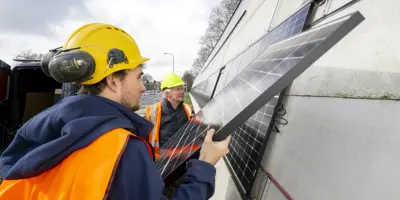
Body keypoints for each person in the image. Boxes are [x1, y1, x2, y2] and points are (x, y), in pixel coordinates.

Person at [0, 22, 231, 200]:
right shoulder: (122, 149)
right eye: (138, 77)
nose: (143, 87)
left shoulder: (44, 130)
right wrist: (204, 166)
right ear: (112, 80)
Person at [145, 73, 194, 159]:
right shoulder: (153, 112)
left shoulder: (189, 110)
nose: (182, 91)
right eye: (178, 89)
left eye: (182, 88)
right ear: (167, 94)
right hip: (162, 162)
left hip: (185, 160)